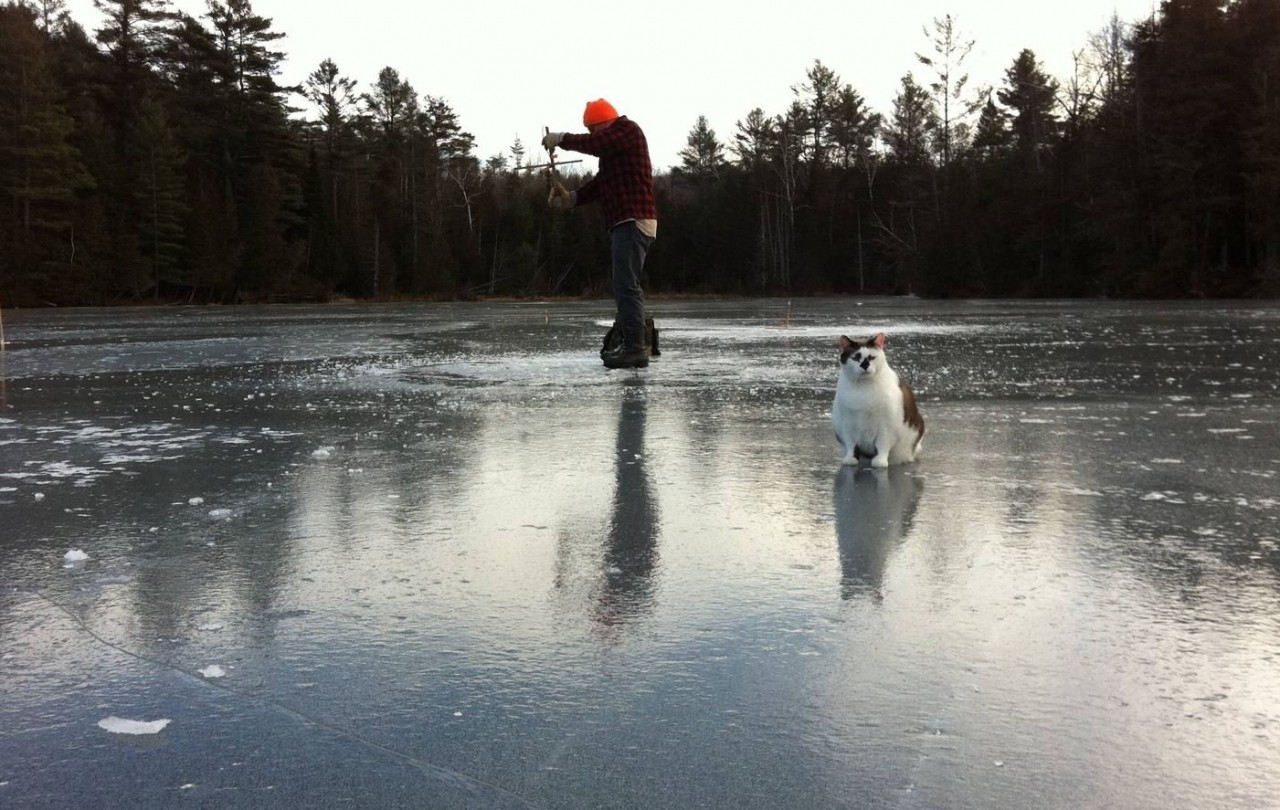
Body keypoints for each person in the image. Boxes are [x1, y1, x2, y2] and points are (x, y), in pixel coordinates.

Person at [543, 99, 657, 369]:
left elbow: (597, 144)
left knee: (626, 286)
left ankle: (634, 349)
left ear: (604, 124)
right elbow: (601, 184)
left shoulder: (627, 130)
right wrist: (570, 199)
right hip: (626, 222)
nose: (594, 136)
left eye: (594, 130)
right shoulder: (614, 149)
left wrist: (561, 139)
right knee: (626, 285)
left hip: (632, 220)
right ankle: (634, 343)